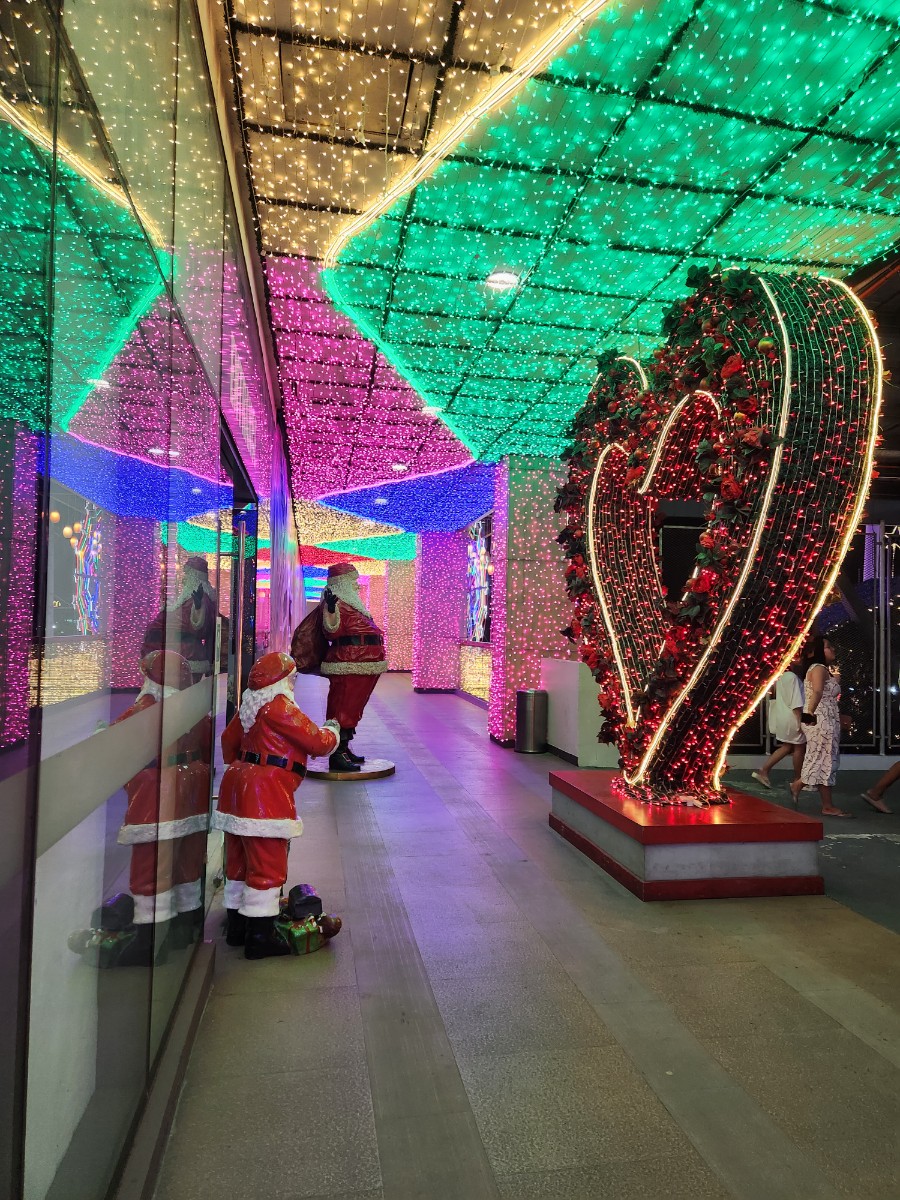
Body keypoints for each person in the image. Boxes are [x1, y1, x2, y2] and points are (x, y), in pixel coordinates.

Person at [213, 651, 339, 959]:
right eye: (292, 679)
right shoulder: (280, 706)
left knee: (238, 859)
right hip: (265, 792)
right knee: (267, 861)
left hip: (236, 785)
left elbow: (228, 741)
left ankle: (238, 926)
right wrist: (333, 731)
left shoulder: (250, 706)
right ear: (284, 681)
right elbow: (316, 742)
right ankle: (260, 937)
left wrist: (241, 768)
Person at [114, 650, 211, 963]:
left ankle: (150, 937)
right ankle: (187, 922)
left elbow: (116, 742)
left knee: (152, 860)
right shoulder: (195, 709)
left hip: (157, 790)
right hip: (193, 784)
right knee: (187, 856)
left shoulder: (146, 707)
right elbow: (208, 743)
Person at [318, 562, 387, 772]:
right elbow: (331, 630)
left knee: (354, 707)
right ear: (342, 583)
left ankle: (344, 747)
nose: (357, 585)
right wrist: (331, 609)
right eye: (353, 581)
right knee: (342, 707)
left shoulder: (353, 604)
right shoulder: (336, 602)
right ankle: (337, 753)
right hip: (349, 662)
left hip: (363, 662)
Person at [790, 636, 851, 818]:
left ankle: (801, 786)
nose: (832, 649)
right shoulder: (818, 668)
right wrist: (810, 713)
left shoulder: (822, 670)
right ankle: (825, 803)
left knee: (821, 758)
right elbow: (817, 692)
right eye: (827, 647)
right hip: (820, 720)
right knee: (824, 759)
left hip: (824, 719)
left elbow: (823, 693)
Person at [142, 555, 218, 683]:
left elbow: (199, 626)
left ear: (194, 577)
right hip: (174, 648)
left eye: (187, 575)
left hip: (185, 650)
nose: (183, 579)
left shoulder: (200, 597)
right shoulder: (190, 596)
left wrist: (198, 607)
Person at [752, 655, 806, 789]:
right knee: (799, 747)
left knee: (787, 746)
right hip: (792, 718)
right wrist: (801, 720)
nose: (800, 659)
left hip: (784, 716)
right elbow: (796, 702)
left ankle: (764, 770)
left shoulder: (782, 676)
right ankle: (798, 780)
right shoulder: (792, 677)